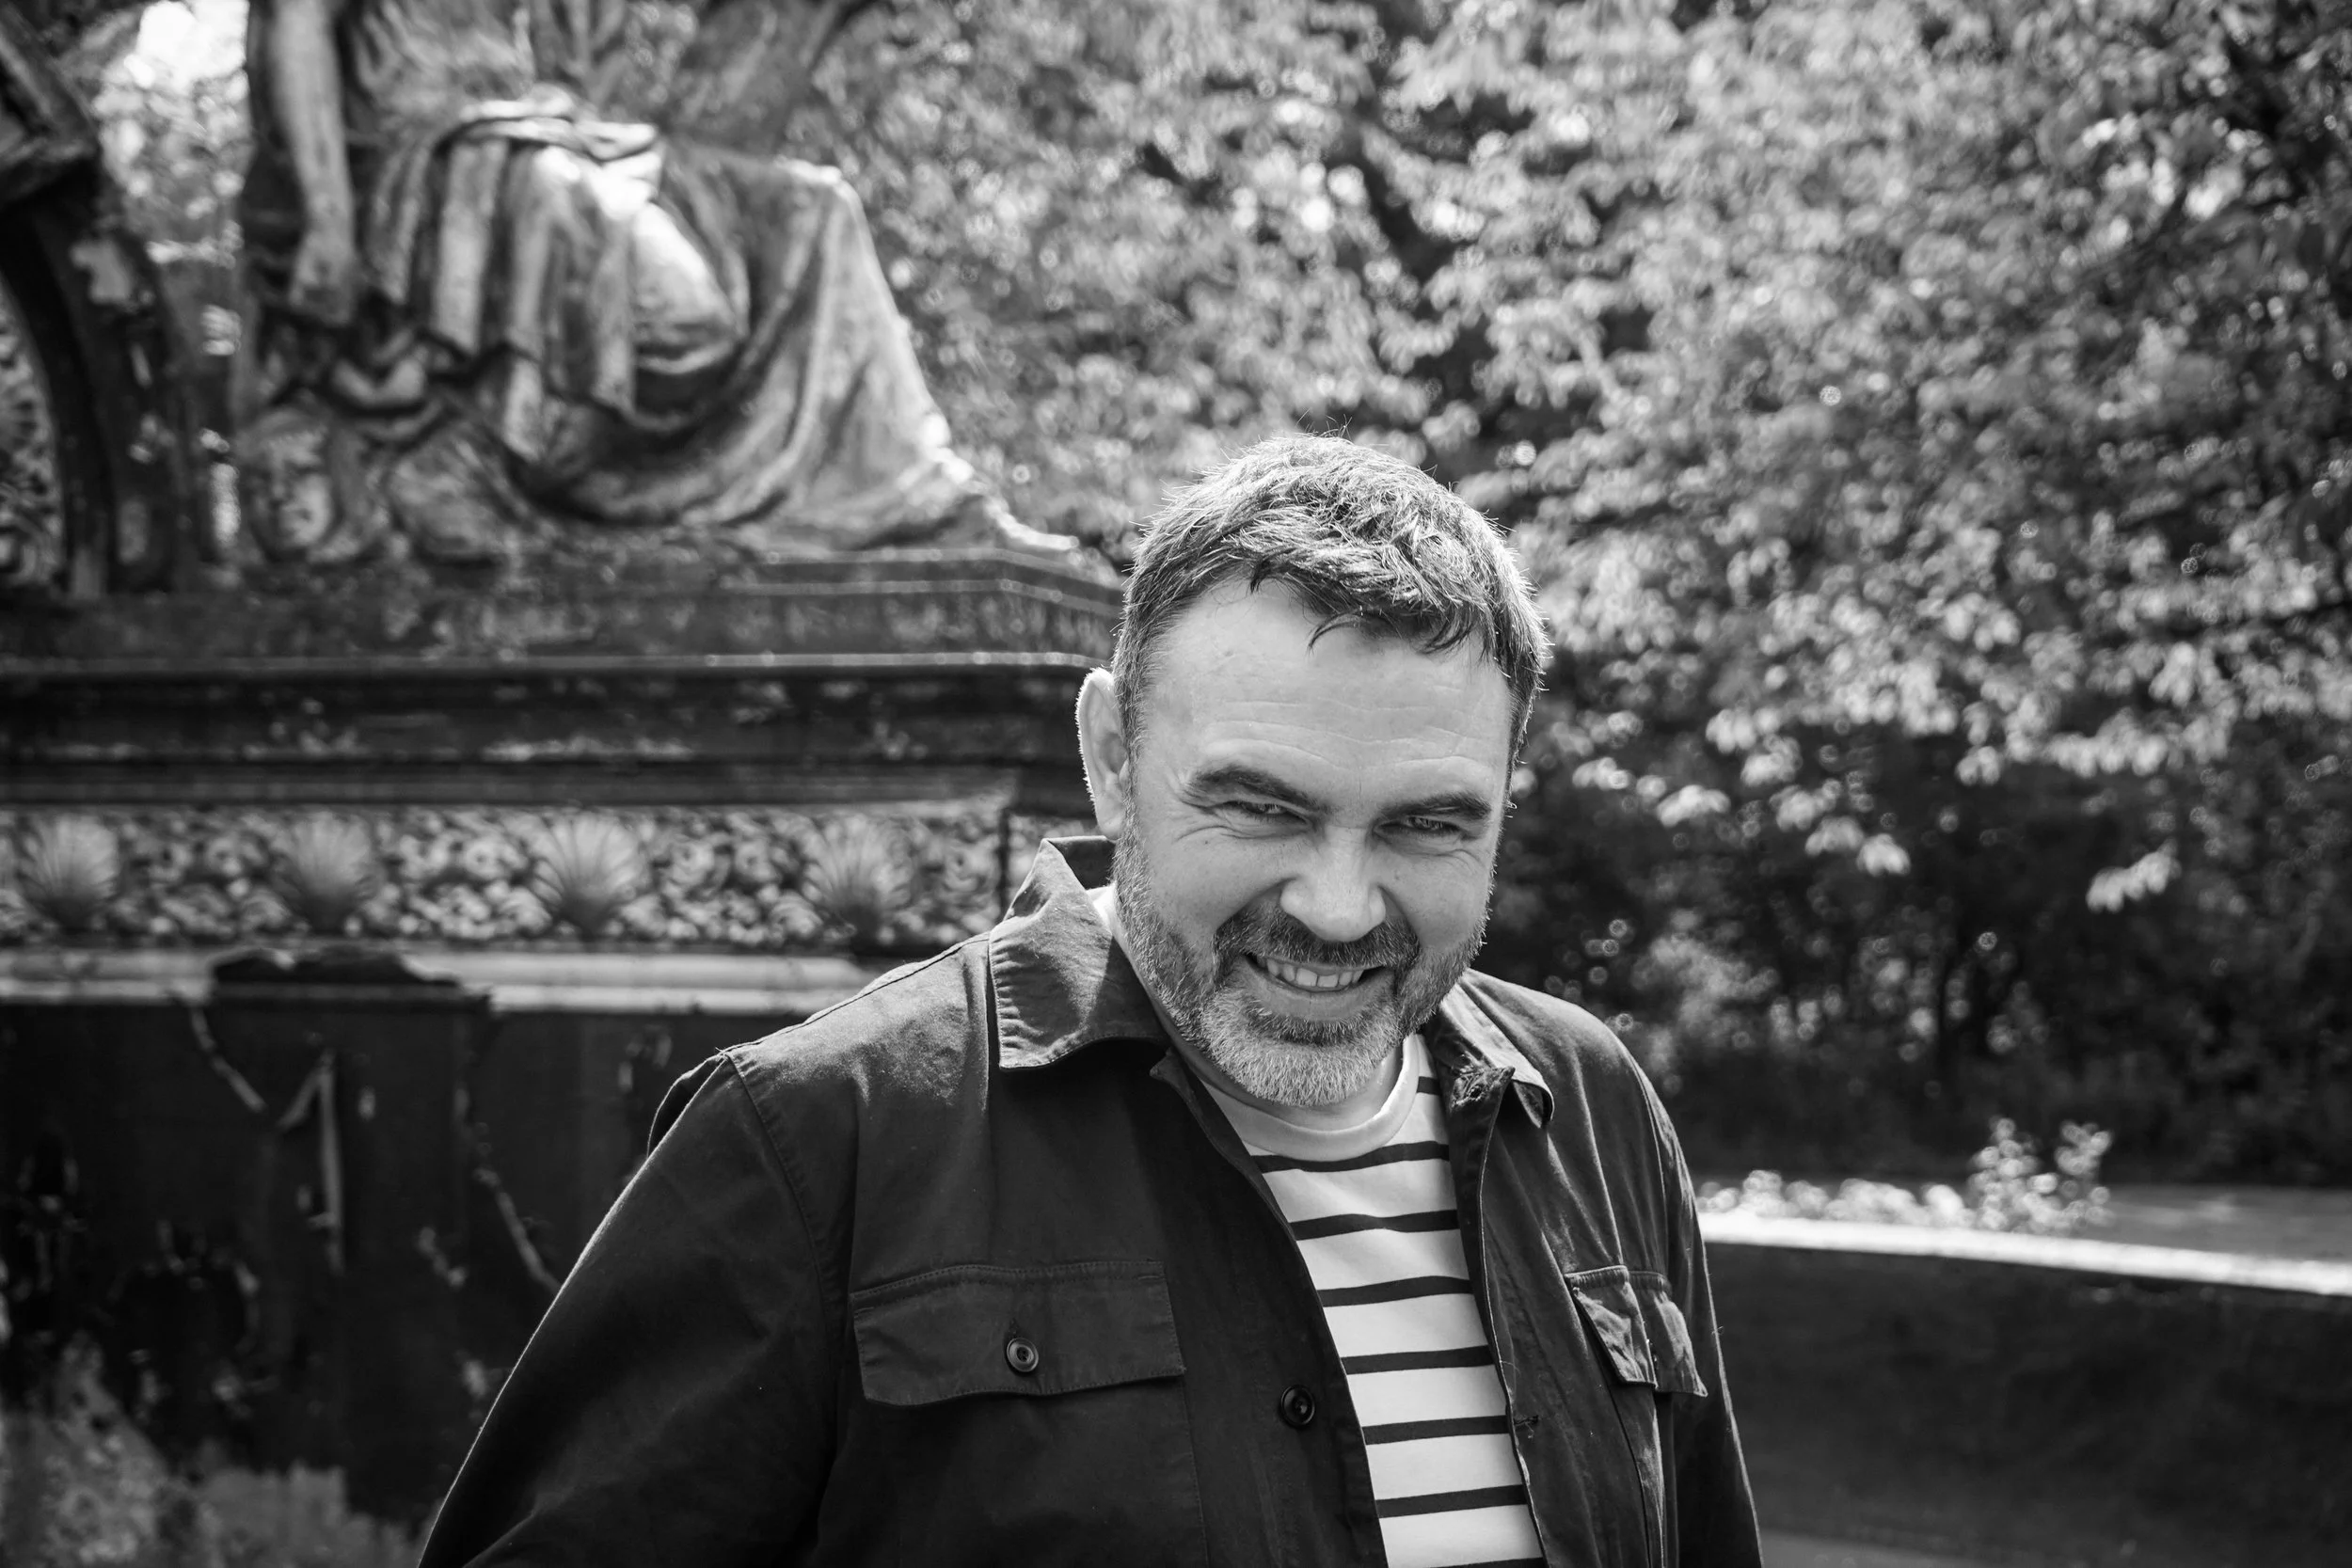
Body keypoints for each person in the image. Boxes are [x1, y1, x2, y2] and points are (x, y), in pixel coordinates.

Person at [418, 434, 1763, 1567]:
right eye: (1259, 804)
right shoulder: (815, 1139)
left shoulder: (1590, 1109)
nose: (1339, 906)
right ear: (1113, 757)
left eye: (1425, 825)